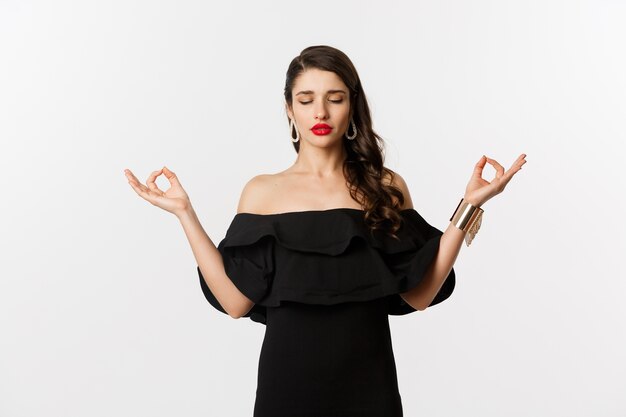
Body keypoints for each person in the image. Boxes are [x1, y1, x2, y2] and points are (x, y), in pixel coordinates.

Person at [124, 45, 526, 417]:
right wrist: (185, 213)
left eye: (335, 99)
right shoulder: (262, 192)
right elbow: (234, 302)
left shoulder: (384, 187)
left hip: (370, 388)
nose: (320, 112)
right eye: (306, 100)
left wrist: (470, 204)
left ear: (352, 106)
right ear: (288, 109)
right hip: (287, 390)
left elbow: (420, 294)